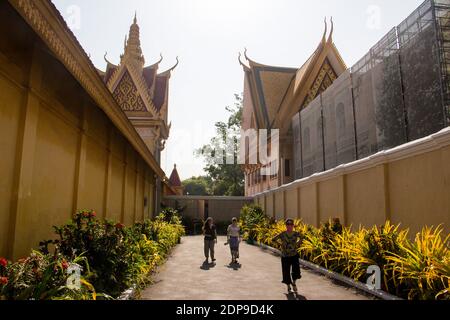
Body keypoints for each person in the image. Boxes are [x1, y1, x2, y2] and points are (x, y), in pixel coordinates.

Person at [272, 218, 302, 293]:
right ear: (286, 225)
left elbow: (302, 237)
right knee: (286, 272)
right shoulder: (282, 234)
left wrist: (298, 243)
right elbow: (273, 239)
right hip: (285, 256)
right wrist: (281, 245)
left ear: (293, 225)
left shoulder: (296, 233)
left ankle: (294, 283)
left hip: (294, 254)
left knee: (296, 271)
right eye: (287, 224)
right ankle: (288, 287)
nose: (289, 226)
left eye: (291, 224)